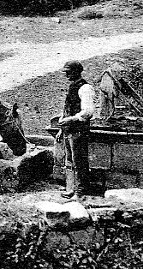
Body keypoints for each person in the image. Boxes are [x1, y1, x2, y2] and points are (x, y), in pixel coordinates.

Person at [58, 60, 95, 201]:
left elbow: (88, 112)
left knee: (79, 161)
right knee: (70, 161)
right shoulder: (72, 87)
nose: (66, 75)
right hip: (69, 131)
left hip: (79, 131)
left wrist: (71, 120)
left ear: (76, 72)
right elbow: (67, 109)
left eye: (68, 72)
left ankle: (81, 191)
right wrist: (62, 129)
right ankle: (71, 189)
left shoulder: (85, 88)